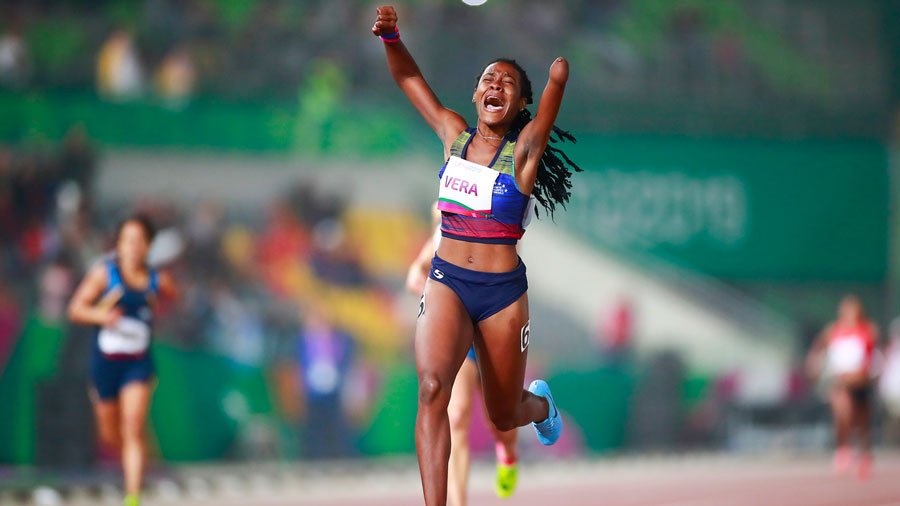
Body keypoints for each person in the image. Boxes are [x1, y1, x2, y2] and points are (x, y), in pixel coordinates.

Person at [372, 6, 580, 504]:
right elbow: (409, 79)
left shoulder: (524, 153)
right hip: (447, 282)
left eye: (507, 82)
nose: (495, 85)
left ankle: (541, 408)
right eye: (488, 78)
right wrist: (393, 37)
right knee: (431, 391)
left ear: (520, 103)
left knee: (503, 413)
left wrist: (556, 79)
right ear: (474, 94)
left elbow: (549, 107)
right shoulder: (453, 135)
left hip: (501, 297)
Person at [406, 203, 519, 504]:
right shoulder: (442, 236)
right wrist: (423, 284)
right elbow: (415, 272)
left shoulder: (496, 214)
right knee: (456, 417)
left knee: (501, 419)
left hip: (494, 323)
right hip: (462, 335)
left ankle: (507, 453)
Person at [68, 216, 176, 506]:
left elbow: (174, 301)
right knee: (110, 433)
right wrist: (101, 315)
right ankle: (146, 464)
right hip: (105, 363)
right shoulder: (105, 274)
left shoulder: (158, 280)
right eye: (127, 240)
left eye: (139, 241)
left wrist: (159, 309)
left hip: (138, 363)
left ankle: (133, 498)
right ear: (118, 243)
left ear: (149, 246)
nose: (133, 247)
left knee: (133, 424)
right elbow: (76, 309)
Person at [806, 295, 878, 479]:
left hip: (860, 382)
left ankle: (864, 454)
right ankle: (843, 448)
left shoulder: (868, 330)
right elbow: (818, 347)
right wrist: (814, 362)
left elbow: (874, 357)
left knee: (862, 422)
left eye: (853, 310)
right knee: (842, 414)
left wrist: (871, 373)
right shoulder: (833, 330)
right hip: (839, 382)